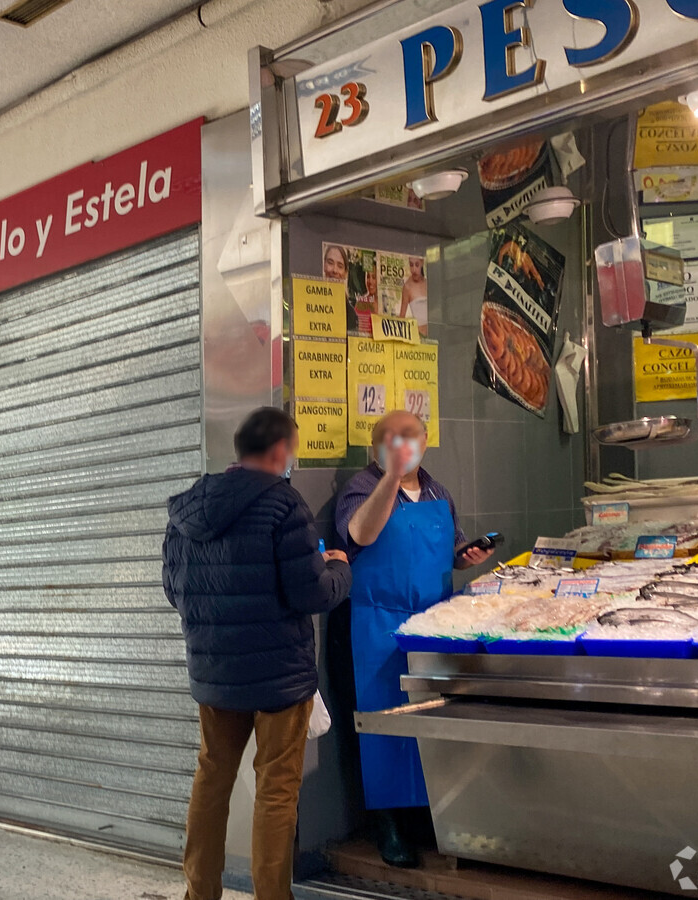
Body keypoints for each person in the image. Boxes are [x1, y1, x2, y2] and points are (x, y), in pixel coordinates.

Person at [164, 407, 353, 900]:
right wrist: (339, 570)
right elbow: (309, 593)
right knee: (276, 788)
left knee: (211, 778)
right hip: (278, 676)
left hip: (215, 671)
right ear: (277, 451)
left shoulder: (185, 508)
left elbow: (174, 589)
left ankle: (199, 892)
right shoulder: (282, 506)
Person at [333, 411, 493, 867]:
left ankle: (430, 816)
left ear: (425, 442)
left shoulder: (438, 490)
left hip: (433, 623)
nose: (402, 446)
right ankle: (387, 824)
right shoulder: (362, 487)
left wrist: (468, 556)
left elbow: (451, 552)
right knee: (384, 722)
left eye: (410, 438)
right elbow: (361, 532)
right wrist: (391, 477)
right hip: (378, 627)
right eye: (390, 439)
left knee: (431, 720)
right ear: (375, 447)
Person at [401, 257, 428, 335]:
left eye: (417, 265)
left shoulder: (427, 283)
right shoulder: (407, 287)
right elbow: (402, 317)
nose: (414, 270)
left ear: (422, 263)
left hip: (432, 333)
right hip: (419, 335)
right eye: (411, 265)